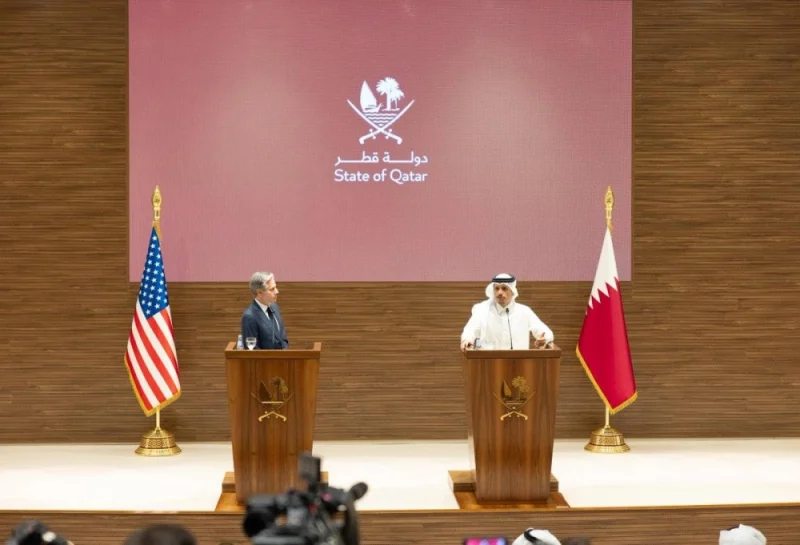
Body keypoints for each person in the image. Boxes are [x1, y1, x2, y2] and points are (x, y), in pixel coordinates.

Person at [460, 273, 554, 352]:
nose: (500, 292)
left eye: (504, 288)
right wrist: (467, 339)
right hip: (488, 364)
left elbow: (544, 331)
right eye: (497, 288)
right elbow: (470, 330)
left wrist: (545, 339)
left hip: (518, 364)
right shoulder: (482, 310)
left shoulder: (524, 311)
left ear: (512, 291)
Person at [241, 271, 289, 350]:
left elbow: (282, 337)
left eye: (275, 287)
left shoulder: (275, 307)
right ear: (259, 292)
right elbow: (252, 349)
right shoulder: (249, 316)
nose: (277, 291)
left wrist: (284, 354)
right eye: (272, 289)